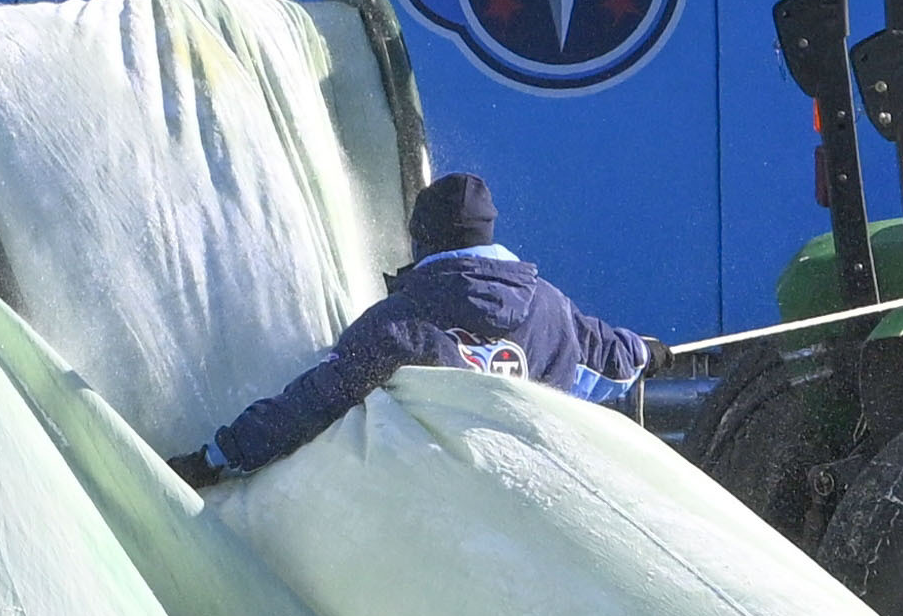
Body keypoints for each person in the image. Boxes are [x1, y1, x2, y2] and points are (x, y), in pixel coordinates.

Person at [177, 173, 660, 489]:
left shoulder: (397, 323)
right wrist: (655, 354)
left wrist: (215, 457)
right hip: (535, 507)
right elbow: (615, 359)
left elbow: (308, 405)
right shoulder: (552, 309)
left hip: (441, 519)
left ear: (420, 238)